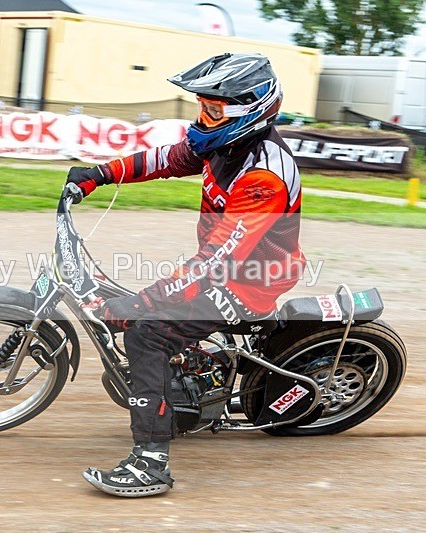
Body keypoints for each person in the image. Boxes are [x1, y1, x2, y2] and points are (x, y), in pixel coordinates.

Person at [68, 53, 305, 497]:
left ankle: (151, 463)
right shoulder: (224, 143)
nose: (203, 117)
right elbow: (168, 159)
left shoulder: (263, 176)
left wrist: (140, 305)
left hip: (251, 280)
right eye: (202, 106)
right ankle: (182, 385)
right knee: (142, 303)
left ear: (249, 108)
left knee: (146, 333)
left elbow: (215, 264)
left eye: (213, 108)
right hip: (226, 265)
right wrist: (99, 174)